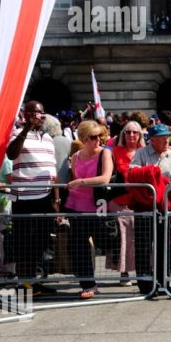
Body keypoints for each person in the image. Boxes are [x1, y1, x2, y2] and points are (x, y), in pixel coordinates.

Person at [5, 100, 59, 294]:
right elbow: (11, 154)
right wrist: (26, 129)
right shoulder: (17, 133)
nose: (37, 116)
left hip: (44, 196)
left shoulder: (48, 138)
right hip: (24, 197)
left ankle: (34, 282)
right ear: (25, 114)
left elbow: (52, 171)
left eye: (40, 112)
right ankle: (24, 284)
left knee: (41, 241)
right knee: (24, 242)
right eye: (33, 112)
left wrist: (56, 198)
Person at [65, 121, 113, 299]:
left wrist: (82, 181)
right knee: (77, 246)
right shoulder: (76, 156)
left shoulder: (105, 153)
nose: (98, 140)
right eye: (93, 137)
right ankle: (88, 284)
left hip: (96, 206)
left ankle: (92, 281)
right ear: (84, 138)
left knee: (102, 242)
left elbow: (105, 178)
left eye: (100, 136)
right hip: (75, 205)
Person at [129, 122, 171, 294]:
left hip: (163, 207)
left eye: (168, 138)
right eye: (163, 139)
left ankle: (163, 281)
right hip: (144, 205)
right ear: (153, 140)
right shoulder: (141, 153)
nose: (167, 142)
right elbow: (132, 171)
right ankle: (145, 283)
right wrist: (150, 172)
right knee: (143, 244)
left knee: (164, 244)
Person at [106, 121, 144, 285]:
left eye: (135, 132)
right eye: (128, 132)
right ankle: (124, 272)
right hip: (120, 200)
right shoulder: (115, 152)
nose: (131, 135)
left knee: (141, 237)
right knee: (123, 237)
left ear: (140, 135)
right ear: (123, 135)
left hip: (140, 200)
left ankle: (143, 272)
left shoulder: (145, 152)